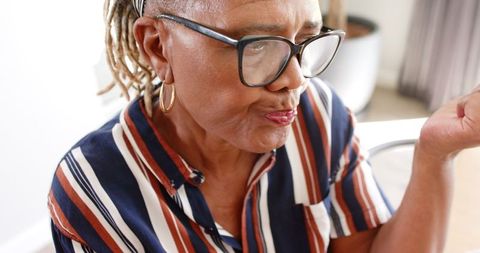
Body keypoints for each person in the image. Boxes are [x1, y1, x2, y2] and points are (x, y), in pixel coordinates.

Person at [47, 0, 480, 252]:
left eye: (305, 41)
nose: (295, 79)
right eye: (257, 46)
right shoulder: (97, 195)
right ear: (159, 47)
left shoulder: (318, 117)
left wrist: (435, 155)